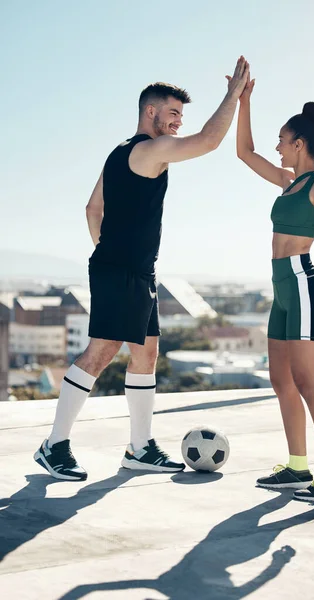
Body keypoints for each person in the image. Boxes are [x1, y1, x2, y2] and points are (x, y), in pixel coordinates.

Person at [34, 57, 250, 481]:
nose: (177, 123)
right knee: (101, 352)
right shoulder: (149, 150)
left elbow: (91, 209)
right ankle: (53, 445)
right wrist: (233, 96)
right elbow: (208, 141)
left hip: (132, 269)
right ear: (150, 112)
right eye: (172, 114)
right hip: (122, 270)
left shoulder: (117, 155)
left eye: (180, 116)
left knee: (147, 352)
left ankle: (139, 448)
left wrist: (111, 249)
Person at [235, 73, 314, 501]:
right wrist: (243, 99)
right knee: (281, 380)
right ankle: (298, 468)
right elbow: (243, 152)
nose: (277, 146)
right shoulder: (289, 183)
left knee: (307, 380)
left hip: (304, 283)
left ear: (299, 143)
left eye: (282, 140)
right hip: (281, 288)